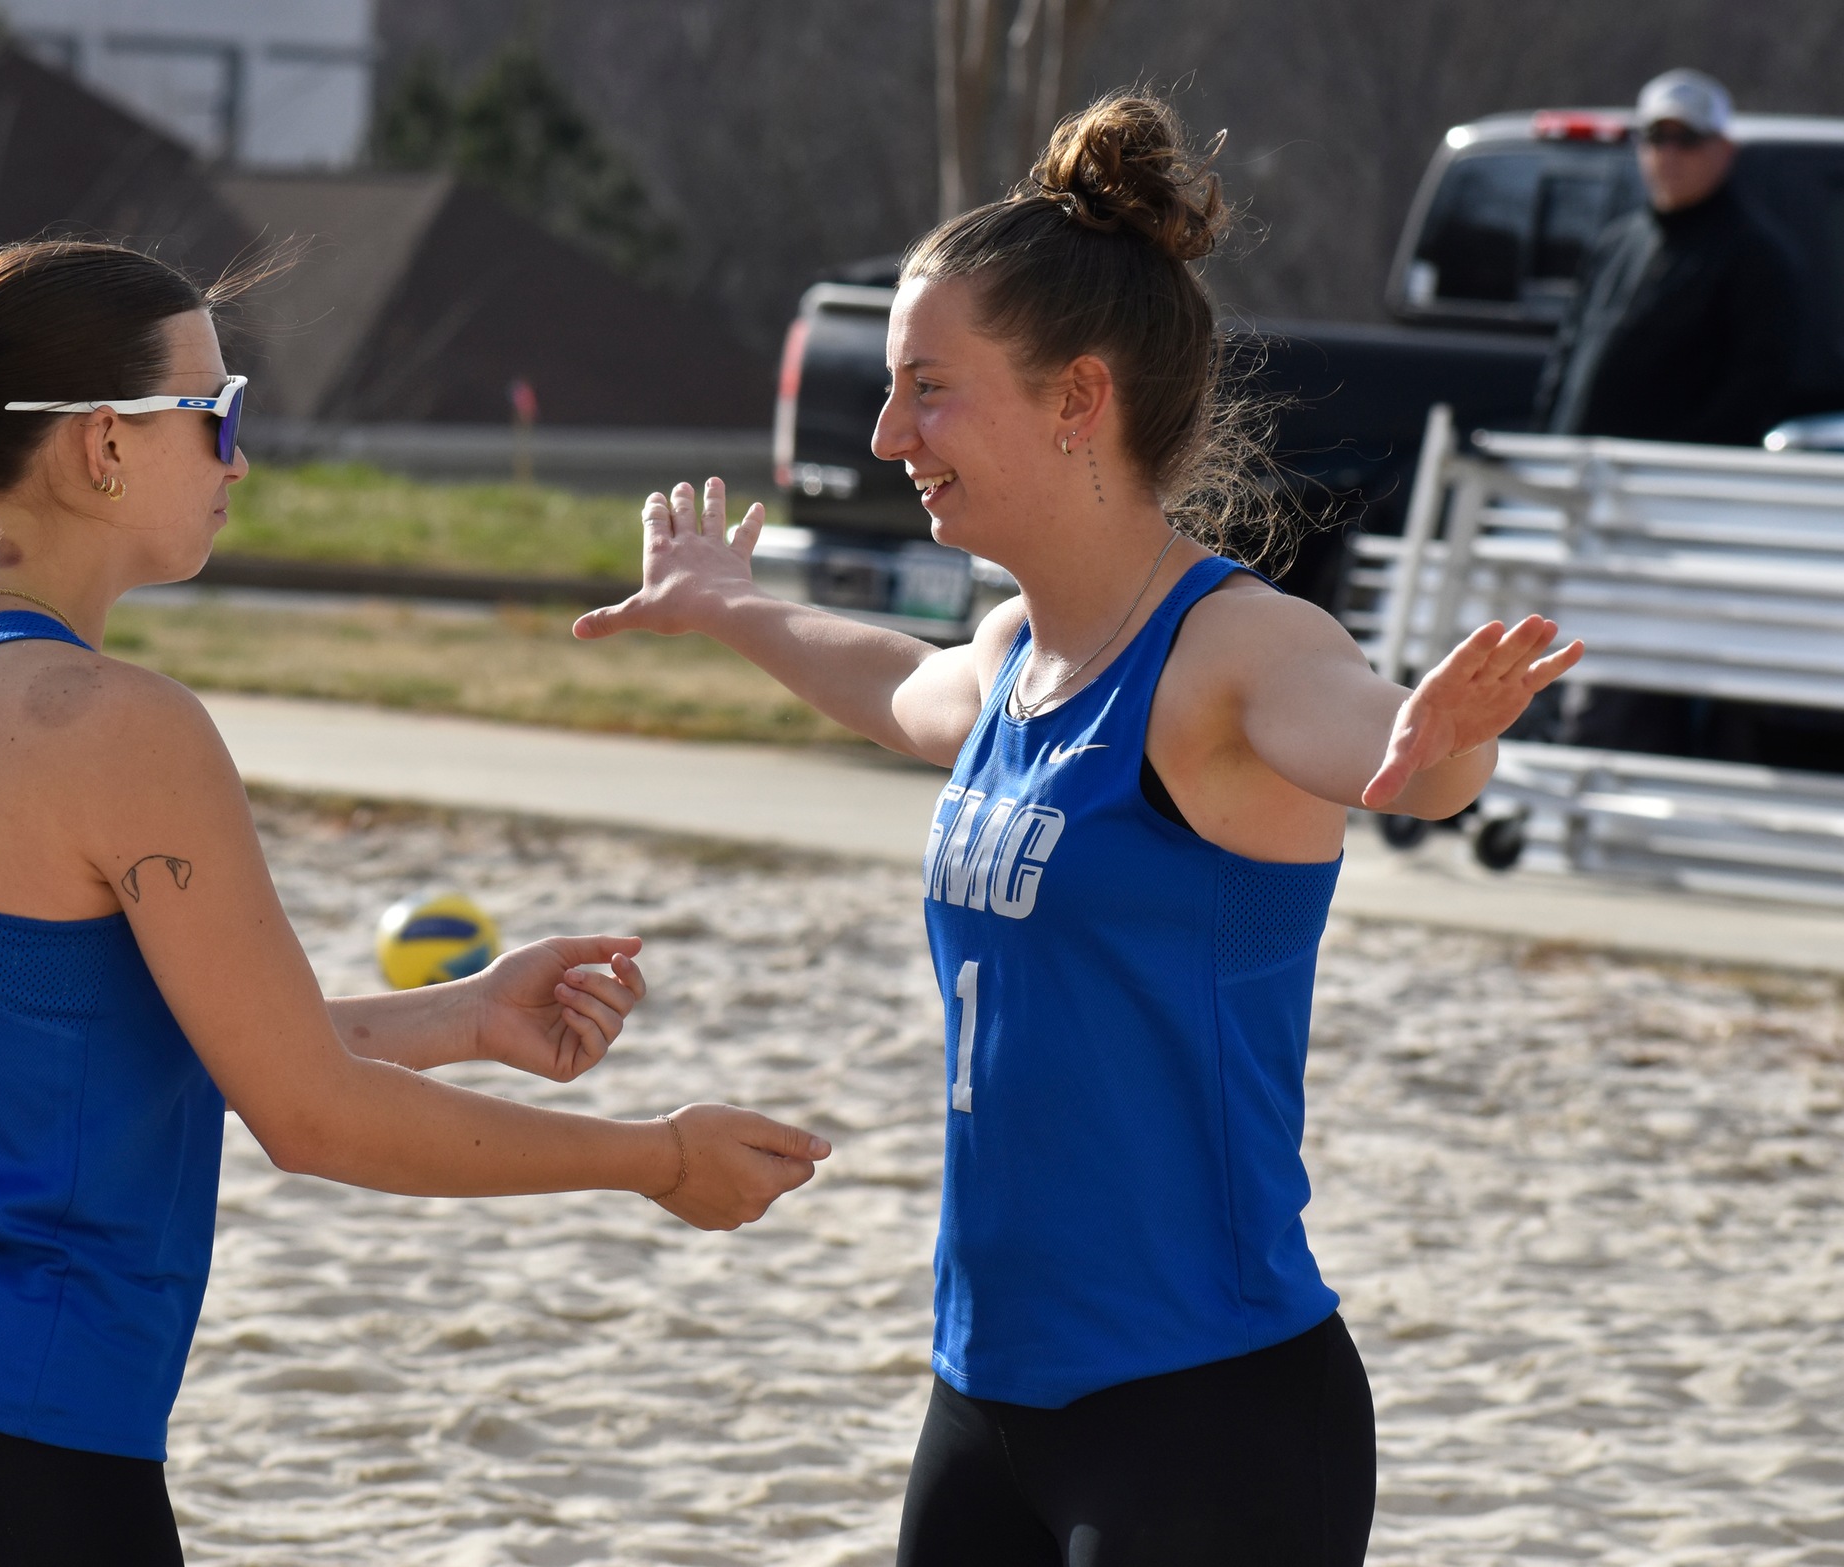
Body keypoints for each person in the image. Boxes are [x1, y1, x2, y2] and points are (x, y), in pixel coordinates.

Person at [575, 95, 1581, 1565]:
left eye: (926, 387)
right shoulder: (1009, 655)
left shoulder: (1229, 650)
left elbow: (1381, 753)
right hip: (985, 1392)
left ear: (1073, 397)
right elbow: (894, 684)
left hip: (1204, 1411)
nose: (882, 430)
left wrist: (1435, 749)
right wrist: (728, 606)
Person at [0, 238, 830, 1567]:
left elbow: (128, 1045)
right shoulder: (110, 720)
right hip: (6, 1439)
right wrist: (652, 1159)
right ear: (101, 446)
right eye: (218, 416)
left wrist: (469, 1013)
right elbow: (308, 1114)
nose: (239, 459)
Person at [1535, 70, 1811, 764]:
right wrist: (1546, 449)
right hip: (1575, 495)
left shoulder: (1755, 257)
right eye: (1652, 137)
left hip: (1666, 512)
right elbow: (1567, 356)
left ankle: (1611, 800)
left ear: (1724, 149)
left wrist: (1663, 477)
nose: (1667, 153)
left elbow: (1753, 388)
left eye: (1685, 138)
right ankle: (1538, 790)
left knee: (1626, 668)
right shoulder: (1617, 241)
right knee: (1546, 648)